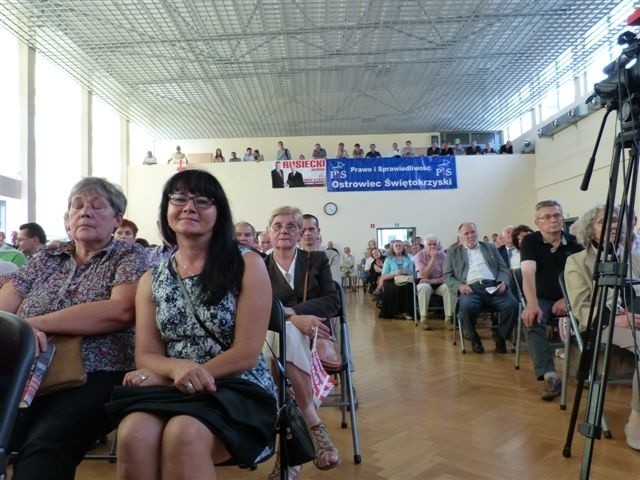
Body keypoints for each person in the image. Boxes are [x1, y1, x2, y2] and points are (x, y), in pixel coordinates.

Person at [109, 170, 277, 479]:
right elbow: (146, 354)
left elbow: (246, 353)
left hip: (235, 385)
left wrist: (187, 375)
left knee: (183, 433)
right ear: (166, 209)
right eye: (179, 198)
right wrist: (175, 371)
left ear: (219, 213)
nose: (189, 207)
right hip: (173, 385)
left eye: (202, 200)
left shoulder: (247, 264)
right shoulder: (152, 278)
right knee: (133, 433)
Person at [0, 177, 147, 480]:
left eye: (96, 206)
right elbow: (4, 309)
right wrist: (21, 333)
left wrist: (30, 327)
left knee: (43, 452)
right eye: (77, 206)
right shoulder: (46, 257)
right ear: (67, 220)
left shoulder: (128, 256)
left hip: (95, 374)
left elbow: (119, 311)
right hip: (27, 371)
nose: (85, 212)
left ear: (117, 219)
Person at [264, 206, 341, 479]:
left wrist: (292, 313)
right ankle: (314, 424)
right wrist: (292, 318)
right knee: (282, 334)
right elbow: (253, 306)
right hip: (270, 344)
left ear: (300, 233)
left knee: (284, 337)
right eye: (277, 225)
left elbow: (333, 301)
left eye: (291, 226)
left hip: (313, 342)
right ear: (269, 232)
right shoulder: (258, 265)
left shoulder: (316, 261)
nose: (284, 230)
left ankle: (289, 460)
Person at [564, 204, 640, 450]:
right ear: (590, 229)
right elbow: (581, 306)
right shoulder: (576, 261)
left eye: (617, 220)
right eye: (603, 221)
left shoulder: (634, 258)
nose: (613, 225)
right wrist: (613, 317)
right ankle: (637, 426)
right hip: (603, 324)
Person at [520, 200, 583, 400]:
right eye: (547, 217)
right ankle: (550, 375)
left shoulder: (576, 242)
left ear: (563, 218)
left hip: (572, 296)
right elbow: (528, 274)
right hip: (543, 298)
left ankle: (587, 370)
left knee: (592, 317)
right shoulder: (530, 241)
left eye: (557, 215)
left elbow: (583, 277)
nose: (553, 220)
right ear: (537, 222)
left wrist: (567, 299)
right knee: (532, 319)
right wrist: (531, 304)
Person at [443, 222, 517, 354]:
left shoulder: (490, 247)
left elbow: (503, 268)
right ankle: (474, 339)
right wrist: (459, 286)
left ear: (477, 233)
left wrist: (503, 283)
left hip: (494, 287)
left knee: (512, 304)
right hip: (470, 289)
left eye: (473, 232)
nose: (470, 235)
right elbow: (447, 275)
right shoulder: (453, 252)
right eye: (466, 233)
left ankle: (501, 337)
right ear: (460, 236)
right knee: (465, 308)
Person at [415, 234, 453, 330]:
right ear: (424, 246)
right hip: (424, 282)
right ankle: (424, 318)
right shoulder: (419, 256)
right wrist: (433, 259)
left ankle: (448, 318)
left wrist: (431, 281)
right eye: (429, 244)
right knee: (424, 287)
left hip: (439, 282)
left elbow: (447, 276)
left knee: (448, 287)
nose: (432, 246)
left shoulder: (444, 256)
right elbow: (424, 275)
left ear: (438, 245)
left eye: (434, 244)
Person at [377, 240, 415, 320]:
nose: (398, 247)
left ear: (403, 248)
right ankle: (395, 312)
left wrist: (407, 271)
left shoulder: (408, 259)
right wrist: (396, 273)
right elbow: (384, 276)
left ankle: (406, 312)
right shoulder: (388, 260)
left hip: (405, 279)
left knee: (408, 286)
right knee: (393, 287)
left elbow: (412, 274)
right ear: (393, 248)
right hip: (391, 279)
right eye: (396, 246)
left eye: (400, 246)